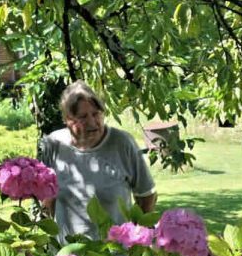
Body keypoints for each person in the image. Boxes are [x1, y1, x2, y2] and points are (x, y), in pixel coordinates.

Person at [38, 81, 157, 243]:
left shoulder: (122, 143)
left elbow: (146, 196)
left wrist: (136, 239)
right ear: (67, 119)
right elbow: (47, 199)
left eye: (96, 114)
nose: (93, 122)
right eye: (83, 117)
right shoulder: (53, 144)